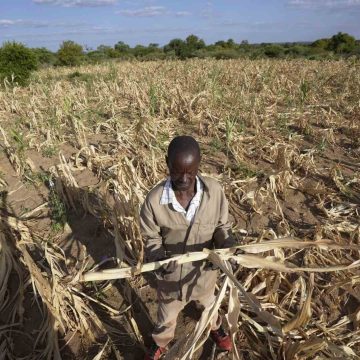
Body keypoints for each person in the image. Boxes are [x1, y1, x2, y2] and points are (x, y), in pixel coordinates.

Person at [140, 135, 236, 360]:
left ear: (199, 165)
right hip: (171, 279)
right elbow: (151, 238)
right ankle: (160, 343)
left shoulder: (214, 193)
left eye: (190, 173)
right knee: (166, 317)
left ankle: (214, 327)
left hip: (203, 275)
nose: (184, 179)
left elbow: (222, 227)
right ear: (166, 163)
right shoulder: (154, 202)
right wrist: (157, 257)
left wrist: (228, 246)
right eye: (177, 171)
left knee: (209, 306)